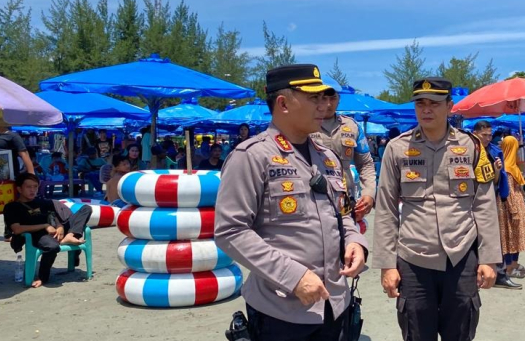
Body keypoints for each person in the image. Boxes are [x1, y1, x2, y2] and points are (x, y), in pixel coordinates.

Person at [214, 64, 367, 341]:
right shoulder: (251, 156)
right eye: (313, 98)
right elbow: (231, 231)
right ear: (283, 103)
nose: (324, 106)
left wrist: (356, 241)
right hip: (281, 309)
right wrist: (293, 277)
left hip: (335, 303)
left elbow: (343, 213)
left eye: (325, 98)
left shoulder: (328, 157)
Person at [374, 77, 501, 341]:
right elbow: (385, 208)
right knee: (417, 334)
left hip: (461, 255)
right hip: (413, 257)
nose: (426, 109)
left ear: (450, 106)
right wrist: (387, 265)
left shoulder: (472, 147)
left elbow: (485, 203)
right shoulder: (397, 149)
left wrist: (489, 258)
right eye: (420, 103)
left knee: (461, 333)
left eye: (434, 103)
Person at [4, 173, 91, 288]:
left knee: (86, 209)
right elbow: (17, 229)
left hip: (56, 231)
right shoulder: (12, 207)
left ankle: (69, 235)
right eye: (28, 187)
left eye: (35, 187)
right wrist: (44, 225)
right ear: (19, 188)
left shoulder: (42, 202)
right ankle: (42, 277)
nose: (32, 190)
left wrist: (59, 227)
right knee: (52, 247)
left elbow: (54, 216)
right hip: (37, 235)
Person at [310, 86, 377, 222]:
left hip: (345, 199)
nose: (328, 104)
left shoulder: (352, 126)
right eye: (323, 98)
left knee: (349, 239)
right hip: (313, 200)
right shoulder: (304, 125)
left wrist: (369, 193)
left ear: (339, 99)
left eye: (333, 98)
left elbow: (365, 163)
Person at [472, 121, 522, 290]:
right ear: (475, 133)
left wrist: (496, 172)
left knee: (495, 236)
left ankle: (500, 273)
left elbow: (497, 181)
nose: (487, 138)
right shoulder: (469, 150)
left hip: (491, 198)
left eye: (489, 135)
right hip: (468, 199)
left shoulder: (495, 152)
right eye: (483, 135)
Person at [0, 125, 36, 241]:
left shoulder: (13, 136)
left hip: (9, 175)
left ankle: (9, 233)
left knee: (10, 204)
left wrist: (31, 173)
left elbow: (24, 154)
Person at [497, 135, 525, 279]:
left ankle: (514, 263)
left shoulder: (513, 166)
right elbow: (508, 193)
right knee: (510, 238)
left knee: (516, 237)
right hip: (509, 208)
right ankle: (508, 266)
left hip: (516, 206)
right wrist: (514, 210)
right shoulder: (507, 169)